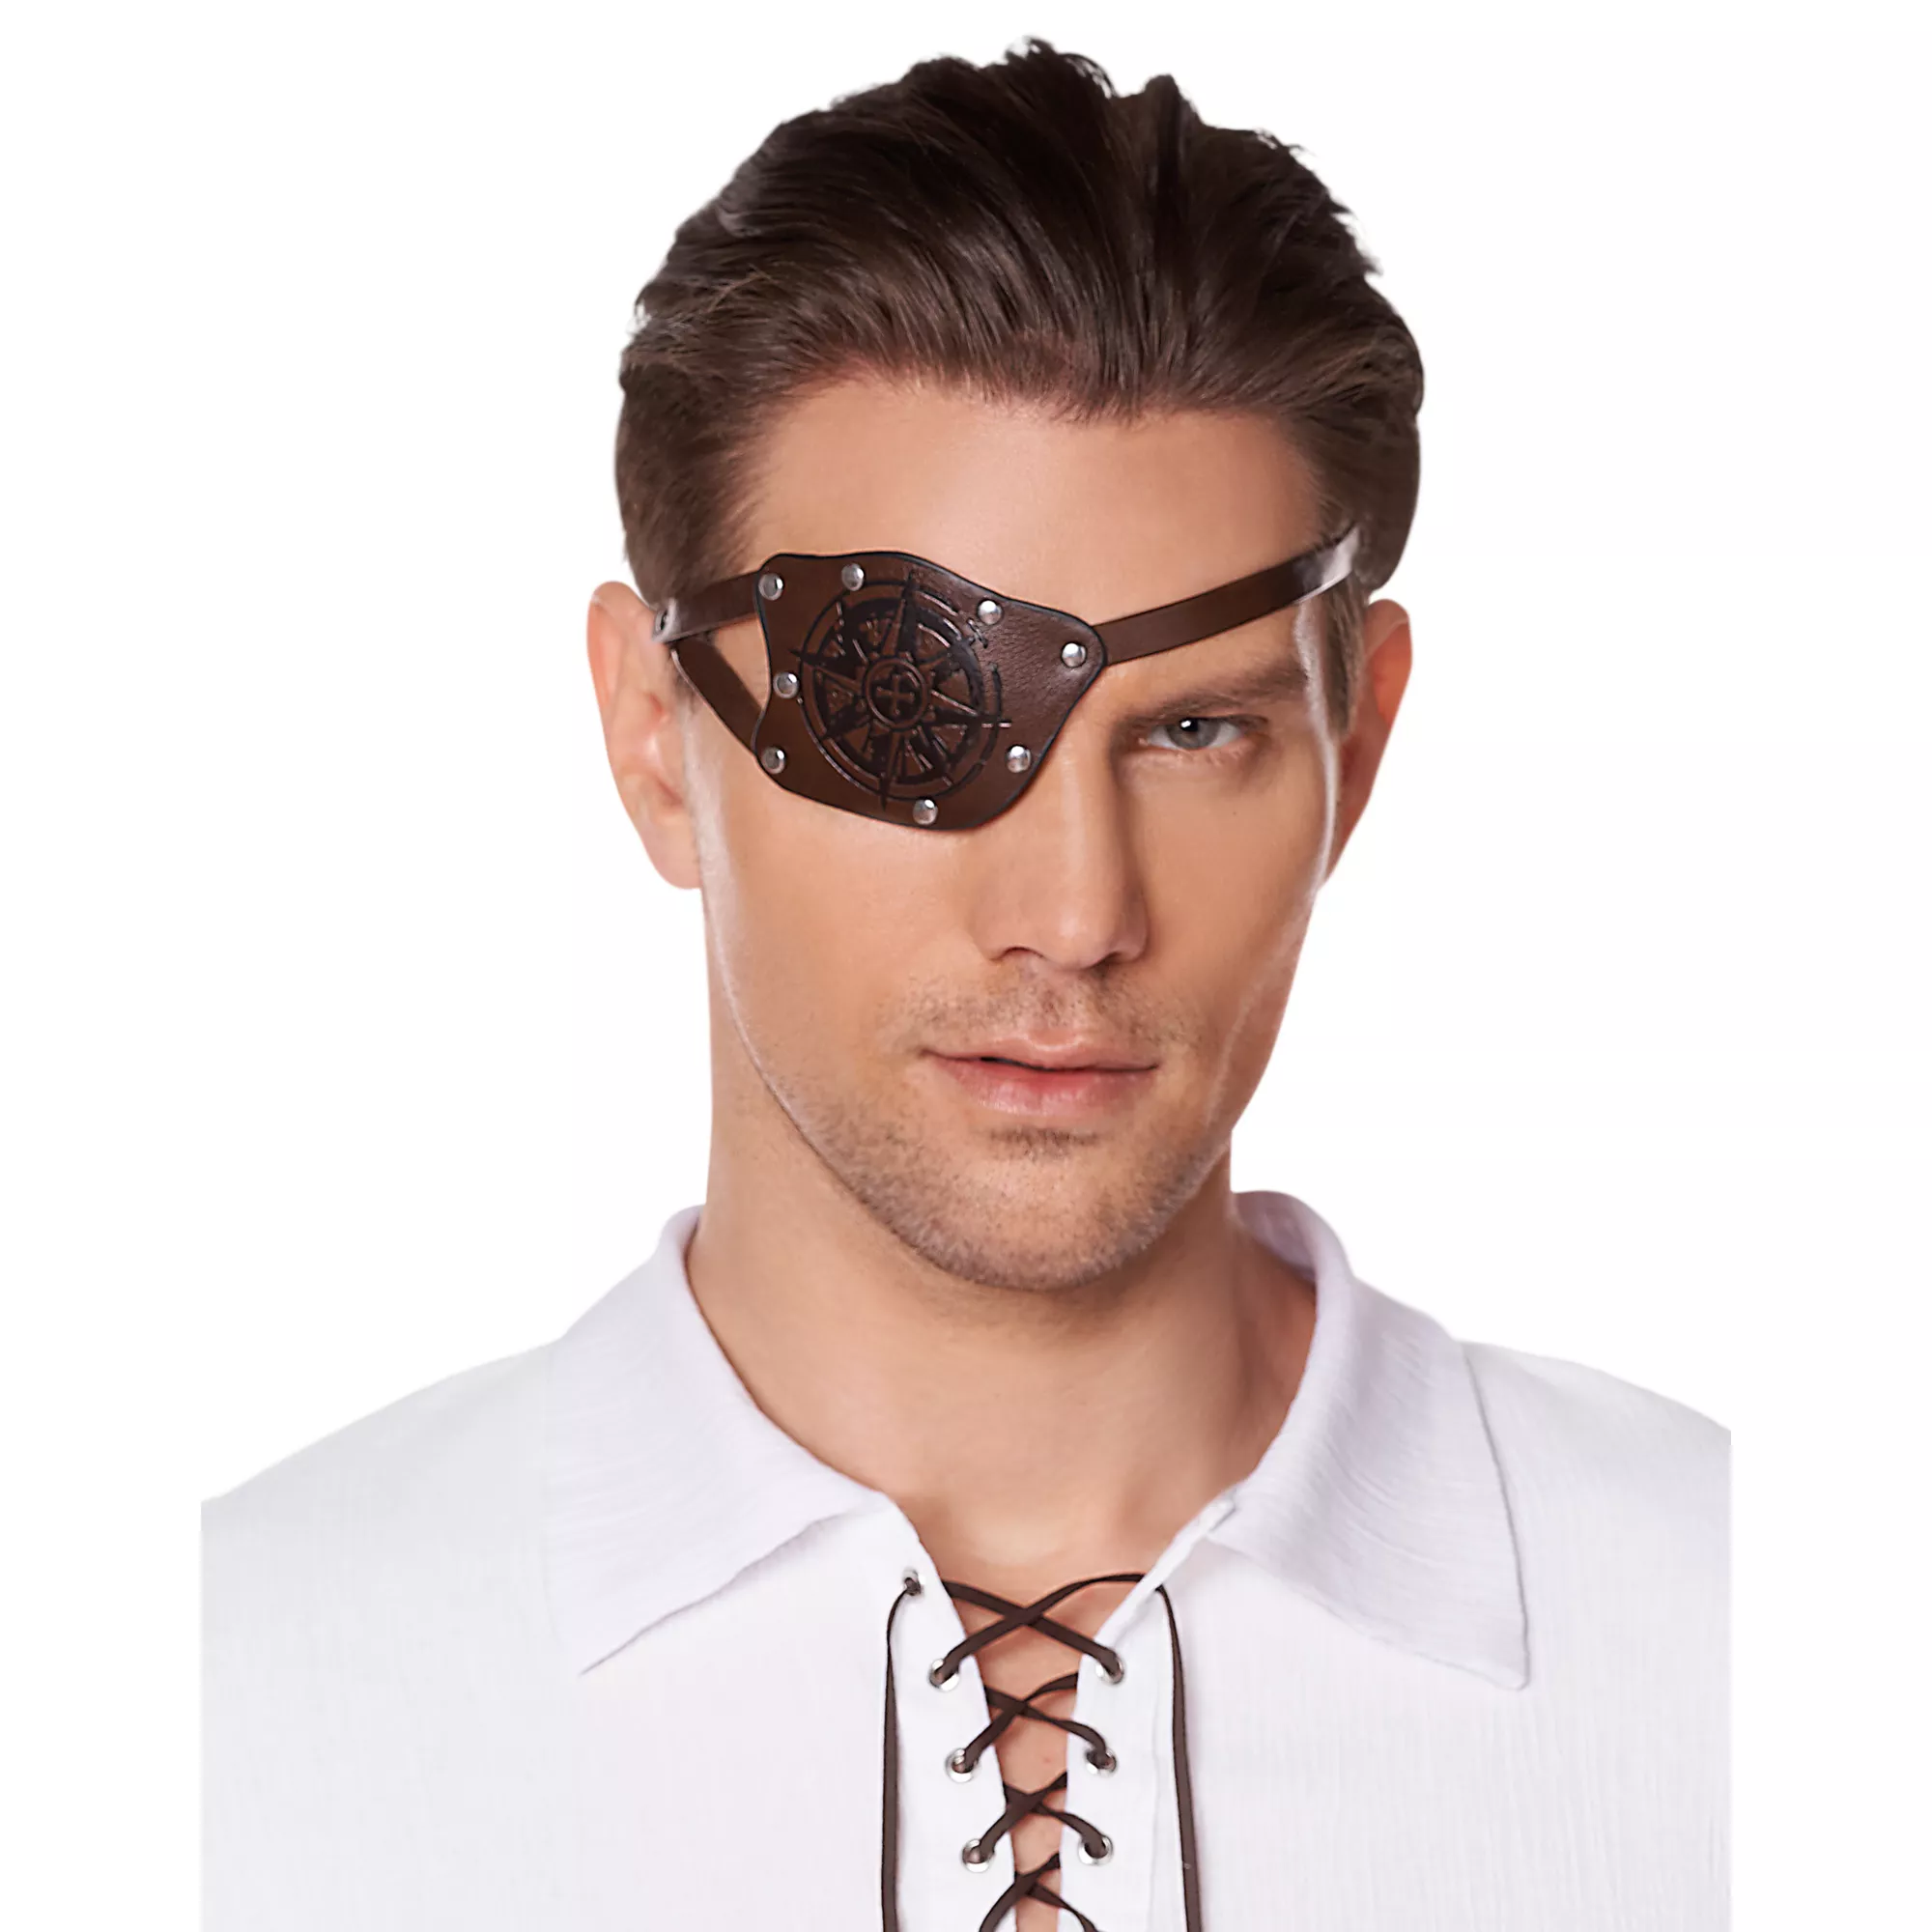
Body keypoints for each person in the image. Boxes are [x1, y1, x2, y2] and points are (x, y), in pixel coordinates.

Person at [203, 38, 1727, 1932]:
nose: (1075, 915)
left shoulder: (1752, 1651)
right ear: (656, 738)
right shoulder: (223, 1708)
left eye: (1192, 730)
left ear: (1360, 741)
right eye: (907, 714)